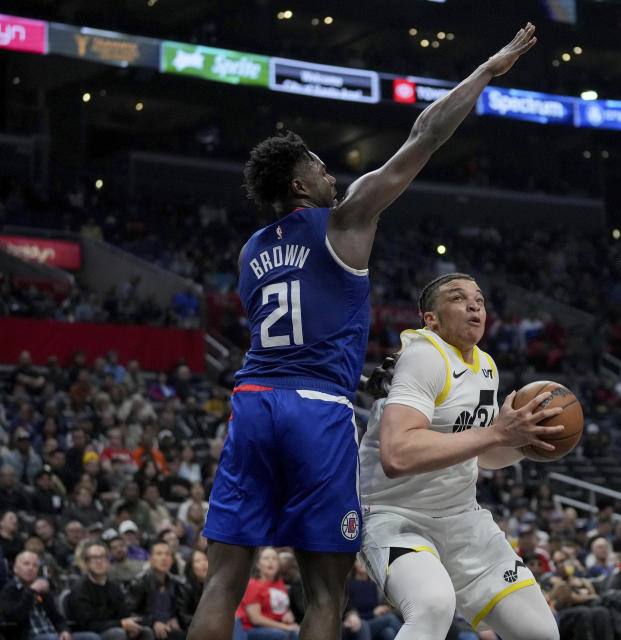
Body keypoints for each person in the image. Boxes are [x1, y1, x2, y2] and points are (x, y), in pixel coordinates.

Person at [189, 23, 540, 640]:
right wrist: (485, 71)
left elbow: (301, 325)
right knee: (324, 592)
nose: (331, 176)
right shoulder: (341, 221)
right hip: (315, 409)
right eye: (320, 169)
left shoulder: (249, 252)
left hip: (252, 403)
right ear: (301, 186)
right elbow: (425, 135)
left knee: (222, 581)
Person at [359, 273, 562, 639]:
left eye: (480, 300)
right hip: (396, 517)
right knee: (433, 605)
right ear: (430, 319)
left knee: (541, 633)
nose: (474, 305)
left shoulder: (486, 366)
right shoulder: (423, 355)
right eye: (458, 297)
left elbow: (483, 454)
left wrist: (525, 443)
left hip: (461, 518)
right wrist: (497, 432)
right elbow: (397, 455)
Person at [0, 550, 100, 640]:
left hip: (53, 634)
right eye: (26, 564)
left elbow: (57, 617)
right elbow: (15, 618)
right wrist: (31, 591)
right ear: (15, 568)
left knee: (92, 637)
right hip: (30, 636)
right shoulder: (9, 590)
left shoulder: (42, 590)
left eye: (35, 565)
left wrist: (64, 631)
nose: (31, 568)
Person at [67, 540, 149, 640]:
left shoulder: (114, 586)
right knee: (118, 633)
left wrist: (131, 624)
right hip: (91, 633)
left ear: (108, 562)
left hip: (113, 627)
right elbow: (88, 624)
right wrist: (121, 624)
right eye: (94, 558)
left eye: (102, 557)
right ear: (87, 564)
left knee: (144, 630)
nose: (99, 561)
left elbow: (124, 614)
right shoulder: (80, 588)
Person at [126, 541, 190, 640]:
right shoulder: (140, 582)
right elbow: (129, 613)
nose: (164, 558)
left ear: (172, 560)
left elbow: (181, 611)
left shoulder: (177, 583)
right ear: (150, 559)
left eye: (167, 554)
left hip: (169, 627)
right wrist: (153, 623)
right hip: (148, 627)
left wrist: (175, 618)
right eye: (159, 554)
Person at [236, 547, 299, 640]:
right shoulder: (253, 585)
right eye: (266, 558)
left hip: (278, 625)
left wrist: (288, 615)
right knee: (280, 635)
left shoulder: (279, 583)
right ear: (258, 564)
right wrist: (284, 627)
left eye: (274, 559)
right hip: (253, 628)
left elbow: (283, 607)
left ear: (278, 564)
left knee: (299, 633)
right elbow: (255, 619)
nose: (271, 562)